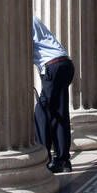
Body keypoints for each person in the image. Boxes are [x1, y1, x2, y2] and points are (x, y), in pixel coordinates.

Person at [31, 15, 75, 172]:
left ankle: (43, 158)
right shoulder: (32, 17)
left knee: (41, 113)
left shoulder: (20, 18)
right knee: (59, 113)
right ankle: (63, 161)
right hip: (65, 64)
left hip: (52, 67)